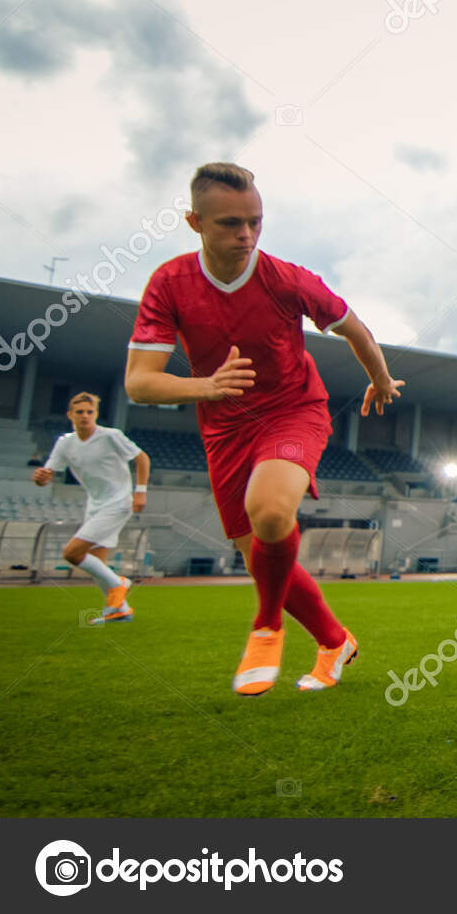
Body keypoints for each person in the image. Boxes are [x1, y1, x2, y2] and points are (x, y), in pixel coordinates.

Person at [125, 162, 404, 695]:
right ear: (194, 222)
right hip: (224, 427)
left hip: (293, 409)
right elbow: (140, 383)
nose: (246, 234)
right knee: (258, 554)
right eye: (231, 223)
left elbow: (356, 329)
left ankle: (267, 625)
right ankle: (334, 640)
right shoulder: (169, 283)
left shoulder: (287, 278)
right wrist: (206, 387)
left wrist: (382, 379)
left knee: (272, 512)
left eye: (255, 221)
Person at [32, 392, 149, 624]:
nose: (85, 416)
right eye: (80, 412)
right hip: (94, 504)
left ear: (95, 414)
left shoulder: (110, 436)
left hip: (119, 502)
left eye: (89, 412)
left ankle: (119, 584)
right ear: (70, 415)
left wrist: (140, 491)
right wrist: (39, 478)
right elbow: (46, 476)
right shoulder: (65, 443)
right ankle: (120, 610)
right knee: (97, 562)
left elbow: (142, 458)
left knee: (72, 553)